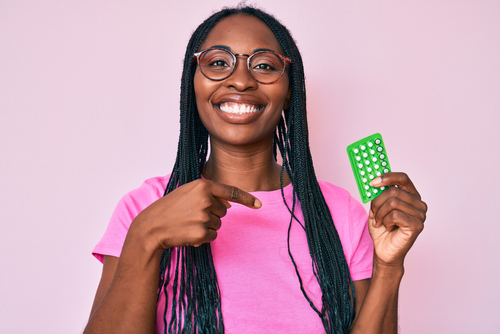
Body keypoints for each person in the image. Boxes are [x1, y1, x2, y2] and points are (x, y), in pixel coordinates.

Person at [84, 5, 427, 334]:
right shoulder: (144, 207)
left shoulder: (341, 214)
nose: (241, 80)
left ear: (290, 90)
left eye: (264, 66)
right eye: (218, 63)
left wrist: (388, 268)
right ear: (193, 84)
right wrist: (146, 237)